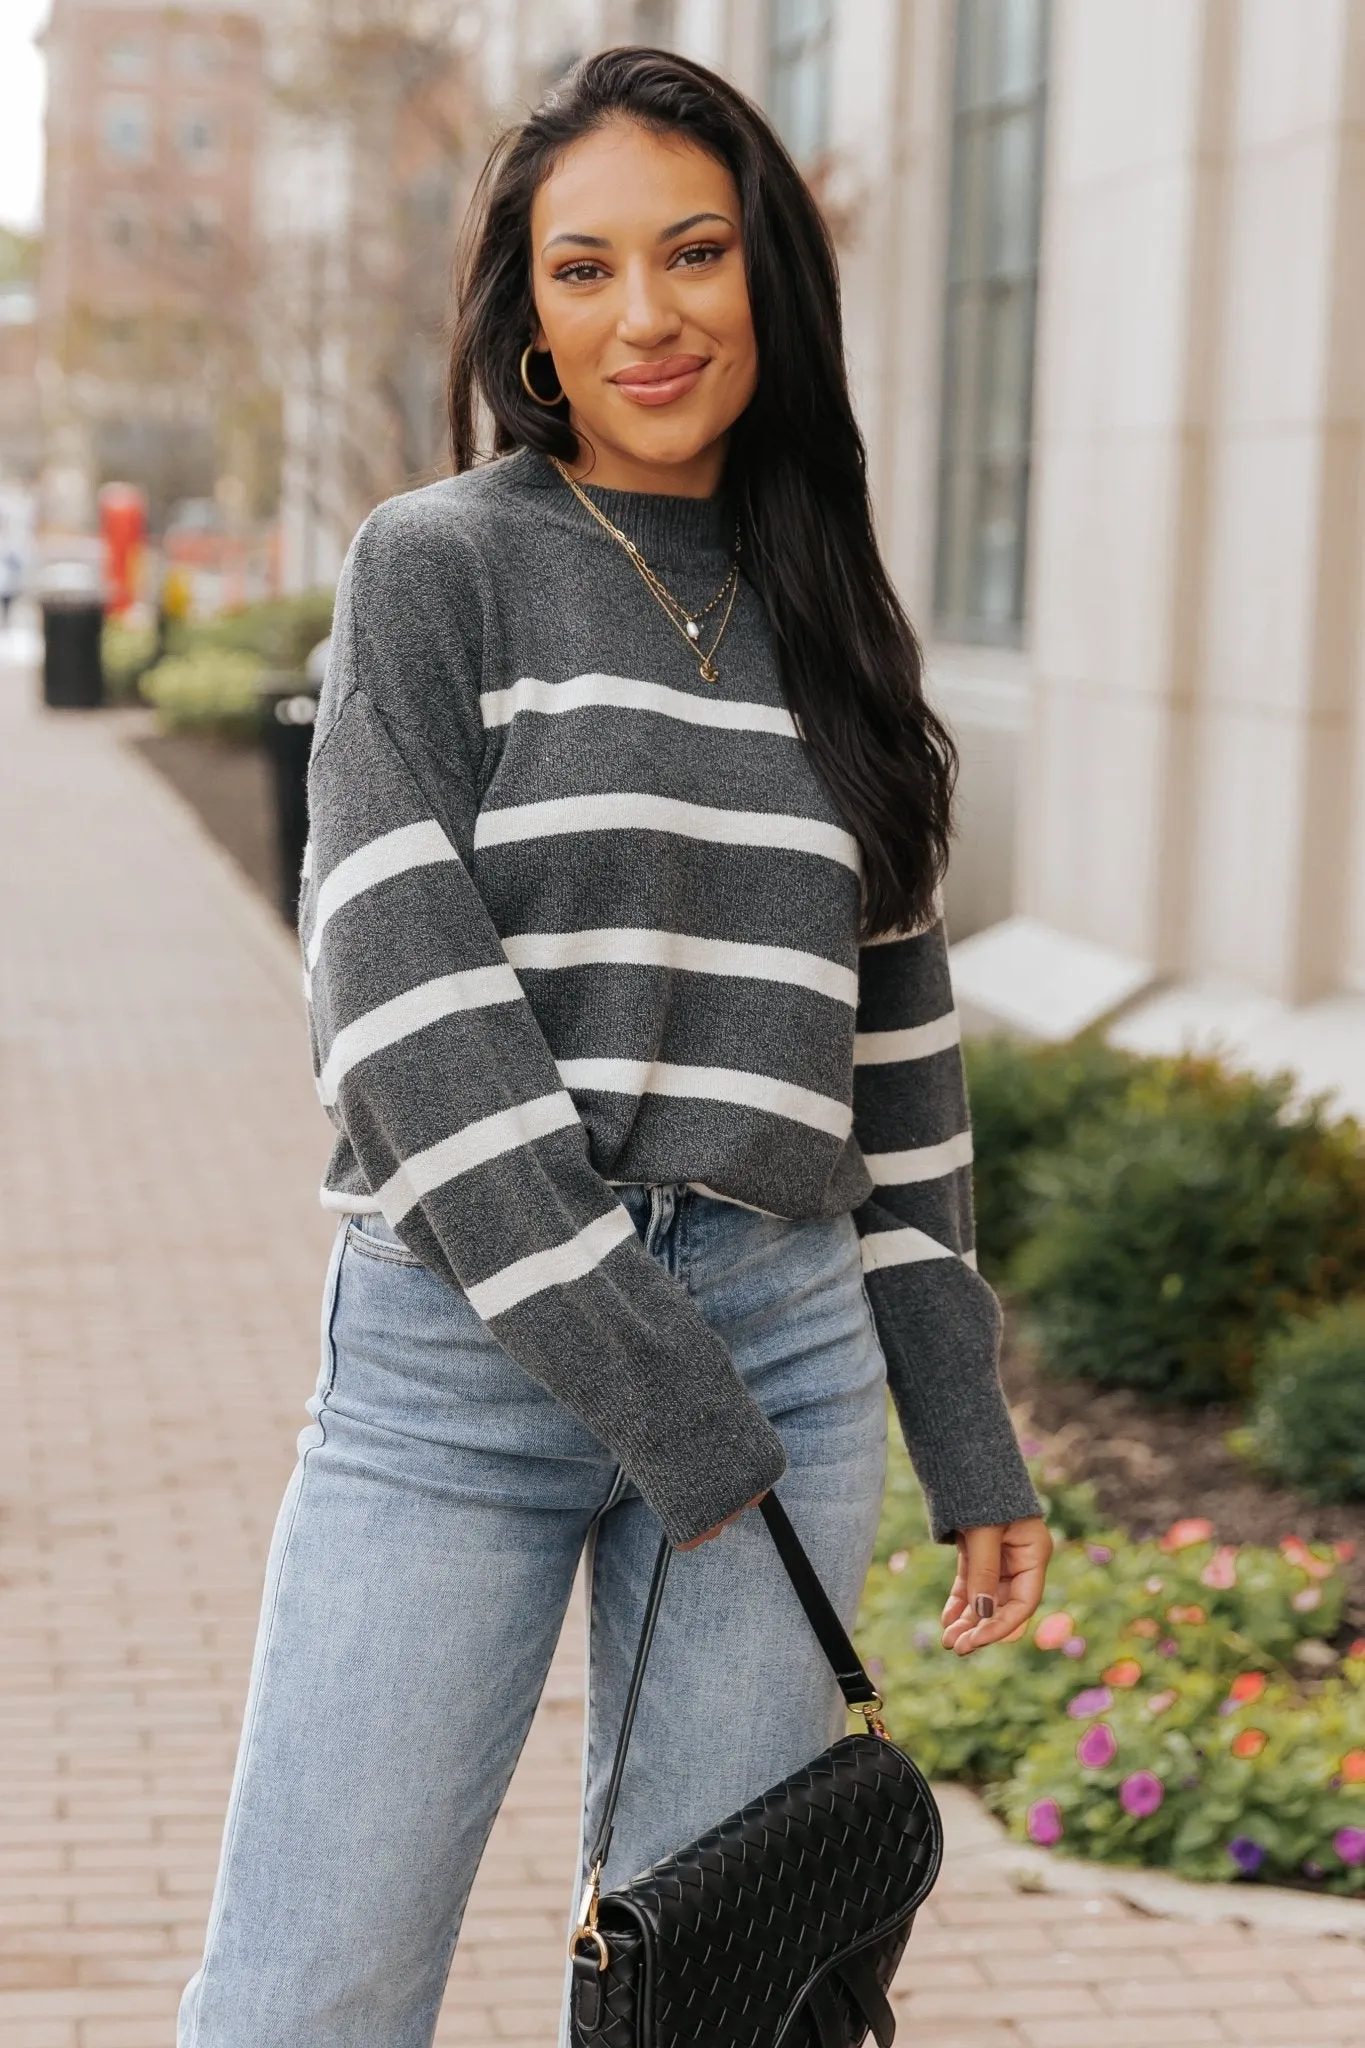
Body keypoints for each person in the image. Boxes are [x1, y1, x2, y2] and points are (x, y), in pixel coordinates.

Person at [178, 46, 1051, 2048]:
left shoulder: (838, 618)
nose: (643, 317)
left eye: (692, 253)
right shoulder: (437, 568)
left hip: (788, 1356)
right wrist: (635, 1356)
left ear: (773, 283)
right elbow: (396, 996)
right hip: (455, 1360)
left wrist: (960, 1419)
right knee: (309, 1992)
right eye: (583, 270)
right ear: (525, 310)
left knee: (713, 2004)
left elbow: (895, 1073)